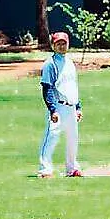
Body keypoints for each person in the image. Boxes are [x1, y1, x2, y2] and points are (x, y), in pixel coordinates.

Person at [37, 31, 84, 178]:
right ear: (53, 46)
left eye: (64, 43)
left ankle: (72, 168)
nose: (62, 46)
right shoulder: (50, 64)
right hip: (58, 106)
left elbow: (72, 86)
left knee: (72, 138)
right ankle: (45, 169)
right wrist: (53, 110)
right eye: (58, 44)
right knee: (52, 136)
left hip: (70, 106)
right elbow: (47, 88)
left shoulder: (69, 62)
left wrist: (78, 107)